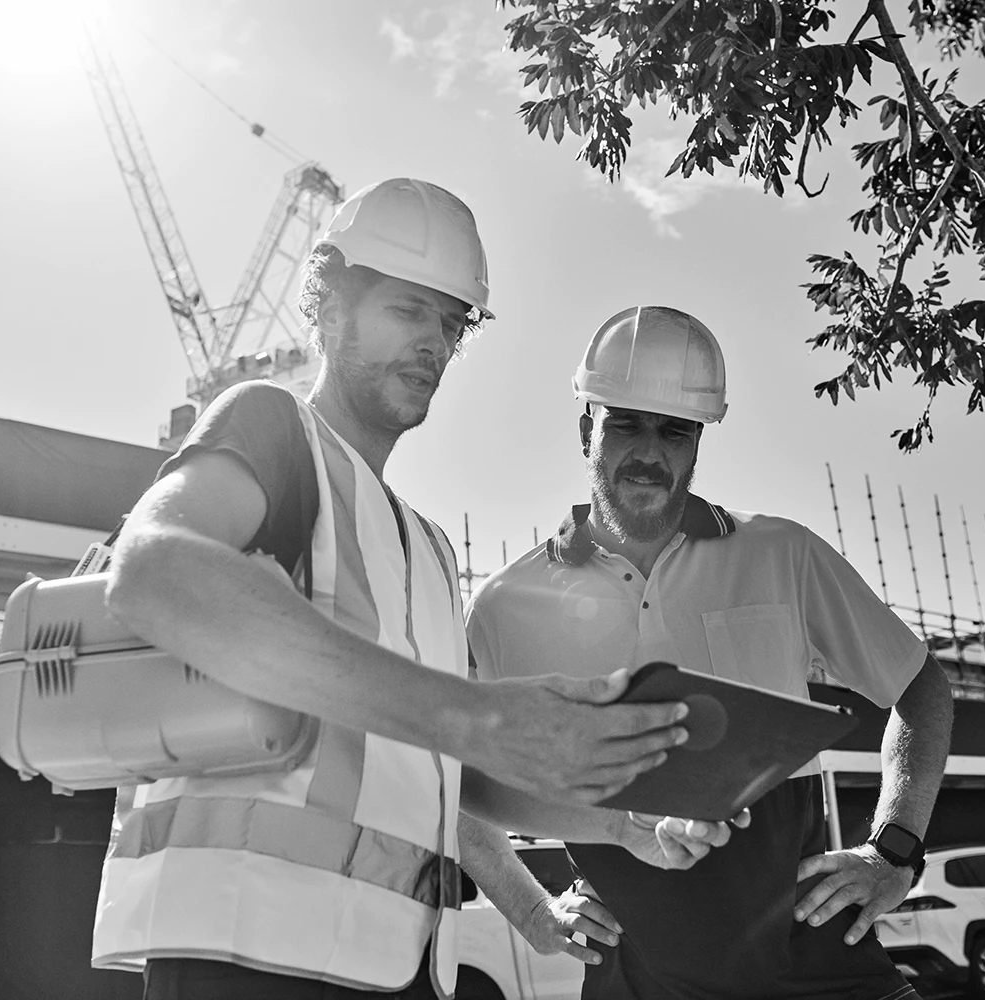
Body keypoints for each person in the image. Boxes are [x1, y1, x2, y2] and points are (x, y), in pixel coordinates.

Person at [90, 183, 717, 1000]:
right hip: (246, 948)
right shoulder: (273, 427)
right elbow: (153, 569)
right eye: (407, 310)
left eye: (451, 324)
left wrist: (600, 844)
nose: (433, 344)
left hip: (397, 965)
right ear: (329, 307)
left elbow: (439, 775)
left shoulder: (429, 548)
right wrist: (478, 716)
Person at [461, 306, 955, 1000]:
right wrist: (533, 910)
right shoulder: (504, 606)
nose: (649, 451)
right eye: (625, 423)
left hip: (819, 967)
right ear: (585, 431)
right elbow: (448, 776)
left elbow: (922, 687)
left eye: (675, 430)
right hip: (635, 980)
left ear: (698, 444)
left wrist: (894, 849)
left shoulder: (782, 554)